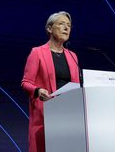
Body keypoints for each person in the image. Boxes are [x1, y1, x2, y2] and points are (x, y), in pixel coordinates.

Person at [21, 11, 80, 152]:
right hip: (45, 115)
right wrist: (38, 90)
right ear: (49, 29)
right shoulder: (37, 53)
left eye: (69, 25)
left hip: (68, 115)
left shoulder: (73, 56)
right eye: (61, 24)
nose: (66, 28)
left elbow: (77, 87)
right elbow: (25, 82)